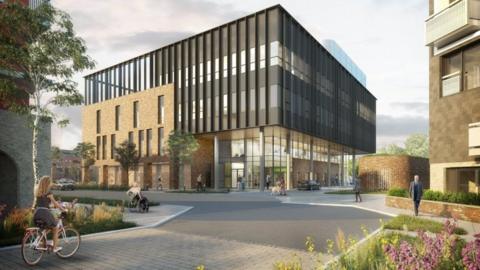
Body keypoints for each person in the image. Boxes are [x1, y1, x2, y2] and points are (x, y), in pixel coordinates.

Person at [33, 176, 65, 253]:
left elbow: (38, 204)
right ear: (47, 183)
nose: (51, 184)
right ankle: (55, 248)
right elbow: (55, 203)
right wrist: (63, 209)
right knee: (55, 228)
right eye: (50, 182)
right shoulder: (48, 192)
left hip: (37, 213)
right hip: (45, 213)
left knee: (46, 228)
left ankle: (38, 241)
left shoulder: (37, 192)